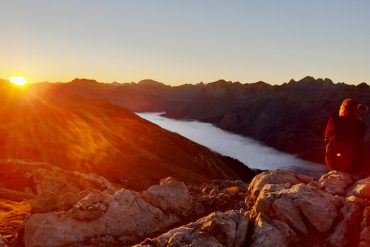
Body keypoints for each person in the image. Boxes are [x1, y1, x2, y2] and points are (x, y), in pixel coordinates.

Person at [324, 99, 368, 174]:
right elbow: (359, 143)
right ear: (357, 110)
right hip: (353, 164)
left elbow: (327, 137)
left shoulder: (333, 120)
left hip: (333, 161)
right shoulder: (362, 125)